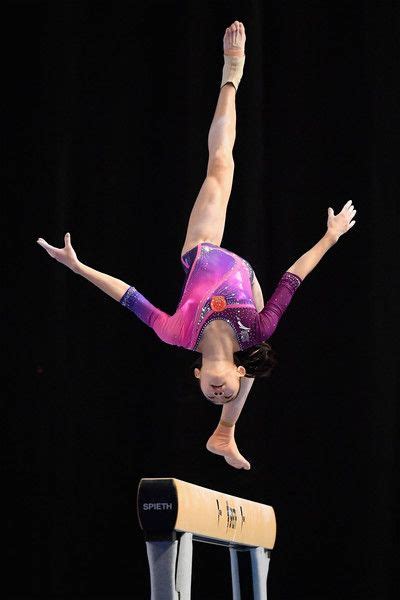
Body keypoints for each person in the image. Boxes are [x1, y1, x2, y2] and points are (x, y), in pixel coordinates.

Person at [37, 21, 356, 470]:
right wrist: (331, 236)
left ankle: (232, 72)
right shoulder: (256, 332)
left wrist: (78, 267)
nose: (216, 391)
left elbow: (126, 295)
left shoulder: (179, 333)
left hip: (202, 250)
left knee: (220, 164)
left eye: (210, 391)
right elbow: (295, 276)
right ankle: (226, 431)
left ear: (199, 375)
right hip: (249, 289)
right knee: (258, 347)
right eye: (221, 392)